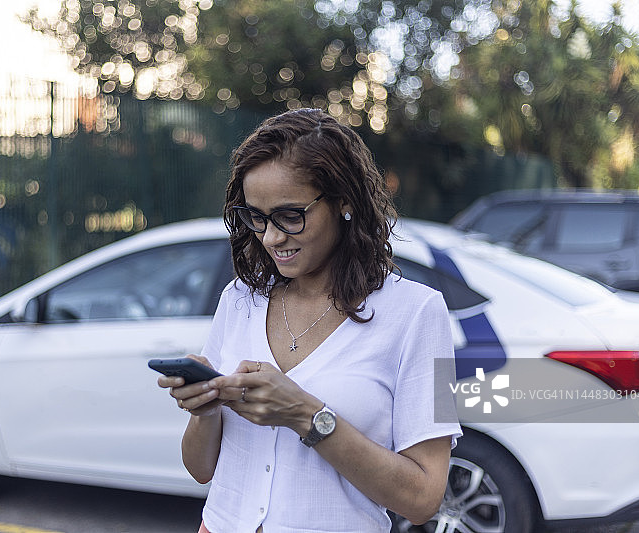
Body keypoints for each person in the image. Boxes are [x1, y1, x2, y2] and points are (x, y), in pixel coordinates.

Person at [157, 108, 461, 533]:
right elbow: (201, 469)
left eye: (289, 216)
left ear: (344, 202)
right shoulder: (239, 300)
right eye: (257, 217)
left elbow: (424, 499)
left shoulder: (420, 313)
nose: (271, 237)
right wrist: (204, 411)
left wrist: (305, 415)